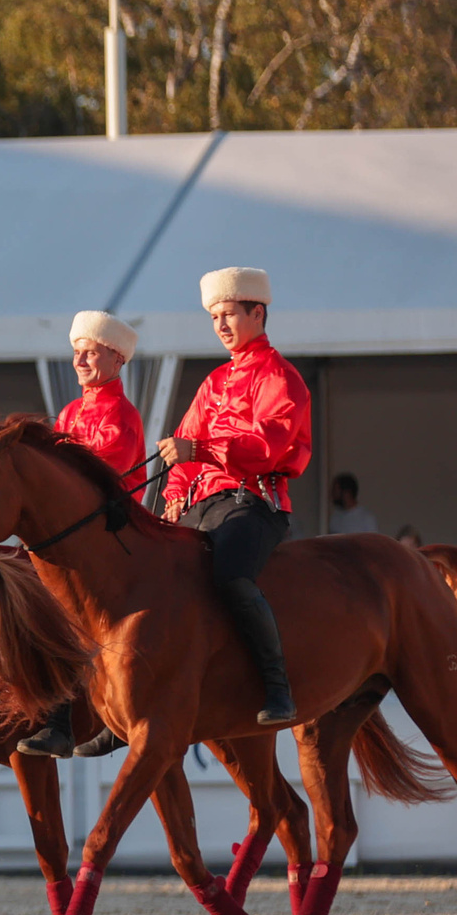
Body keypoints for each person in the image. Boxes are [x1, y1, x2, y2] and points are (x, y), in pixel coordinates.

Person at [158, 266, 310, 728]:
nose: (220, 325)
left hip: (255, 502)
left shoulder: (280, 376)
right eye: (214, 318)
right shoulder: (214, 380)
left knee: (229, 576)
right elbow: (184, 442)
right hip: (203, 504)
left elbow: (267, 448)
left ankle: (277, 686)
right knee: (150, 576)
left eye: (228, 314)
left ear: (257, 313)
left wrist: (198, 451)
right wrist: (175, 492)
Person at [17, 309, 144, 759]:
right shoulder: (70, 412)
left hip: (111, 533)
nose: (80, 361)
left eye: (89, 352)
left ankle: (70, 721)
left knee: (70, 618)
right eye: (76, 352)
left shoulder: (123, 414)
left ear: (116, 359)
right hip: (72, 537)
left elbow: (101, 474)